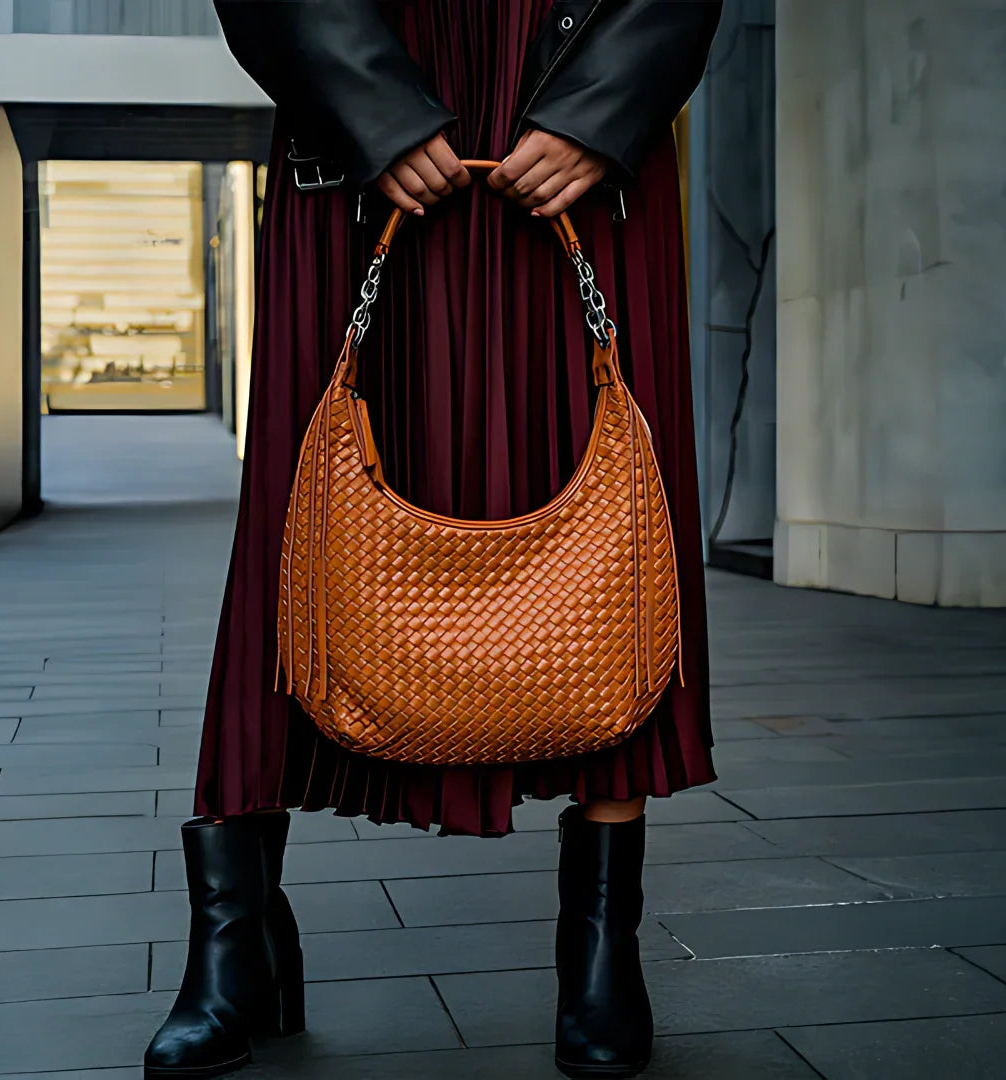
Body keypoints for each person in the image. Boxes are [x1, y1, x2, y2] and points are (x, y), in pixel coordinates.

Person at [144, 2, 723, 1078]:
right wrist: (371, 100)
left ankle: (602, 949)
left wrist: (603, 109)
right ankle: (235, 938)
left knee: (614, 532)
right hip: (364, 94)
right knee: (299, 524)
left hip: (577, 96)